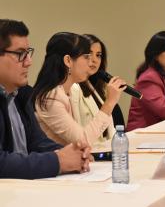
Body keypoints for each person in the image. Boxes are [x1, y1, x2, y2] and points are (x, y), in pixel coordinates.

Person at [0, 19, 90, 179]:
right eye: (20, 54)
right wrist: (57, 161)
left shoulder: (21, 94)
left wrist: (74, 153)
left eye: (28, 53)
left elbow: (38, 142)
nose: (29, 62)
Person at [32, 32, 126, 148]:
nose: (90, 62)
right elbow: (83, 140)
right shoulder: (51, 96)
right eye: (86, 57)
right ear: (68, 61)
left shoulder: (67, 91)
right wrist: (110, 102)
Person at [71, 34, 125, 144]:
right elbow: (78, 138)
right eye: (89, 54)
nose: (95, 60)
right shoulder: (73, 88)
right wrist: (110, 102)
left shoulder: (92, 86)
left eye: (98, 55)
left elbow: (108, 129)